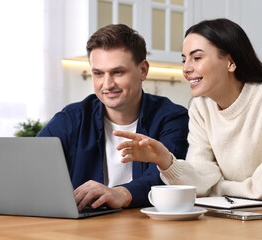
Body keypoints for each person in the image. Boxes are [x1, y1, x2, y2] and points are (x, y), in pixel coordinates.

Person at [115, 18, 262, 205]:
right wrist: (166, 161)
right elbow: (201, 180)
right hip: (249, 213)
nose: (186, 68)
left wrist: (215, 189)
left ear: (230, 62)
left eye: (197, 57)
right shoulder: (201, 108)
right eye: (184, 59)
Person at [38, 24, 189, 210]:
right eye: (98, 74)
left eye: (117, 72)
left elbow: (170, 176)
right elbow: (32, 166)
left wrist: (122, 193)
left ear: (143, 70)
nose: (107, 84)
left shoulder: (173, 119)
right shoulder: (70, 119)